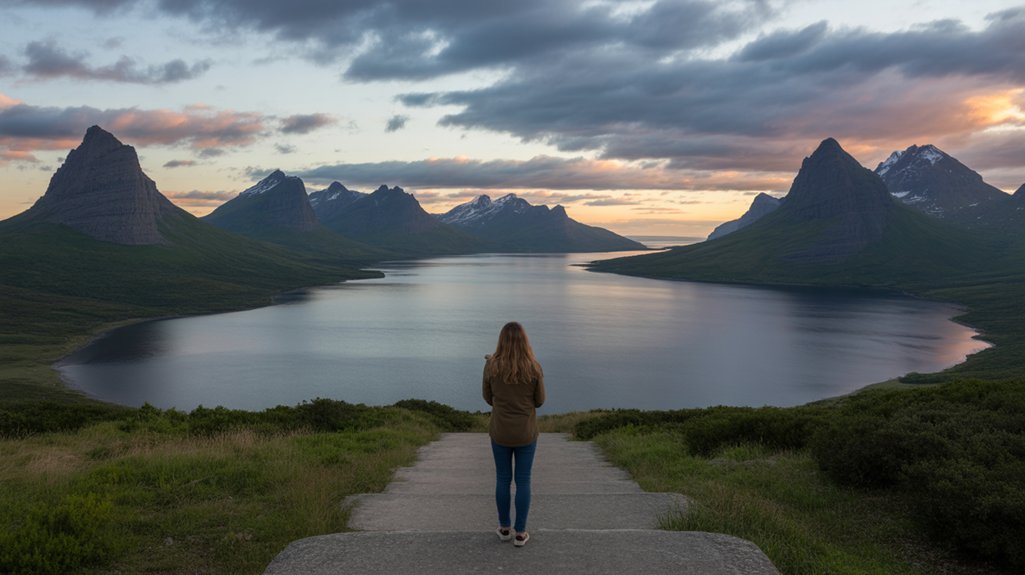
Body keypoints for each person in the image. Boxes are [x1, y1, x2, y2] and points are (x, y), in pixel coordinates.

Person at [483, 321, 546, 547]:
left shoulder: (492, 366)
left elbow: (488, 398)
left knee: (502, 479)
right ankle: (520, 533)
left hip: (500, 431)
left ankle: (504, 528)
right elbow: (539, 401)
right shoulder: (534, 367)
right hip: (525, 433)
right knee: (523, 480)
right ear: (524, 341)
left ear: (501, 340)